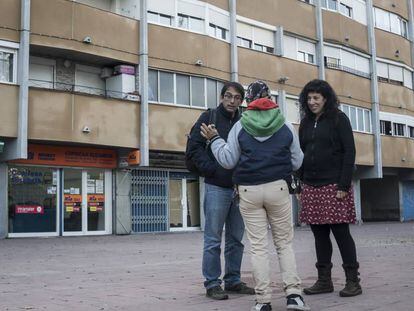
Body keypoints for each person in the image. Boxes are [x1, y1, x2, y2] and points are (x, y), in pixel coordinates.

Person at [201, 81, 310, 311]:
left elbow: (228, 160)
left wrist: (214, 139)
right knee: (284, 244)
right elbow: (298, 161)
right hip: (278, 189)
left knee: (258, 247)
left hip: (249, 191)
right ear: (270, 99)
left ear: (248, 101)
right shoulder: (286, 125)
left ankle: (263, 301)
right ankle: (294, 296)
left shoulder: (240, 126)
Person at [188, 81, 255, 300]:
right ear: (221, 97)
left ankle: (233, 280)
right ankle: (212, 283)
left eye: (237, 98)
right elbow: (194, 148)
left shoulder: (246, 121)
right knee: (213, 239)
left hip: (240, 190)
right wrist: (211, 170)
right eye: (228, 96)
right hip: (216, 187)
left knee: (236, 238)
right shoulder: (209, 117)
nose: (232, 101)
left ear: (241, 101)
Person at [297, 79, 362, 298]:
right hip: (311, 185)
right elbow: (300, 154)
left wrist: (343, 184)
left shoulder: (339, 119)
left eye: (316, 98)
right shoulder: (305, 123)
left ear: (326, 99)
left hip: (334, 185)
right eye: (309, 98)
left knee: (341, 233)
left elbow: (349, 153)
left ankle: (353, 282)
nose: (312, 102)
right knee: (319, 235)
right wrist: (299, 183)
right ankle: (324, 281)